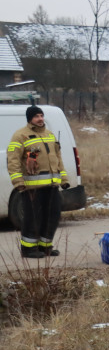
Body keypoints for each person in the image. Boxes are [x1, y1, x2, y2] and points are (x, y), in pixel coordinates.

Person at [7, 105, 70, 258]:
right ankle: (28, 249)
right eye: (36, 116)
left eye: (41, 115)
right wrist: (18, 181)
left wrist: (64, 179)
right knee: (33, 218)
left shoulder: (49, 134)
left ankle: (45, 247)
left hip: (52, 186)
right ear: (30, 119)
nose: (40, 119)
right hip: (32, 188)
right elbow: (12, 160)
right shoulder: (20, 135)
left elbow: (58, 158)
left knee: (53, 216)